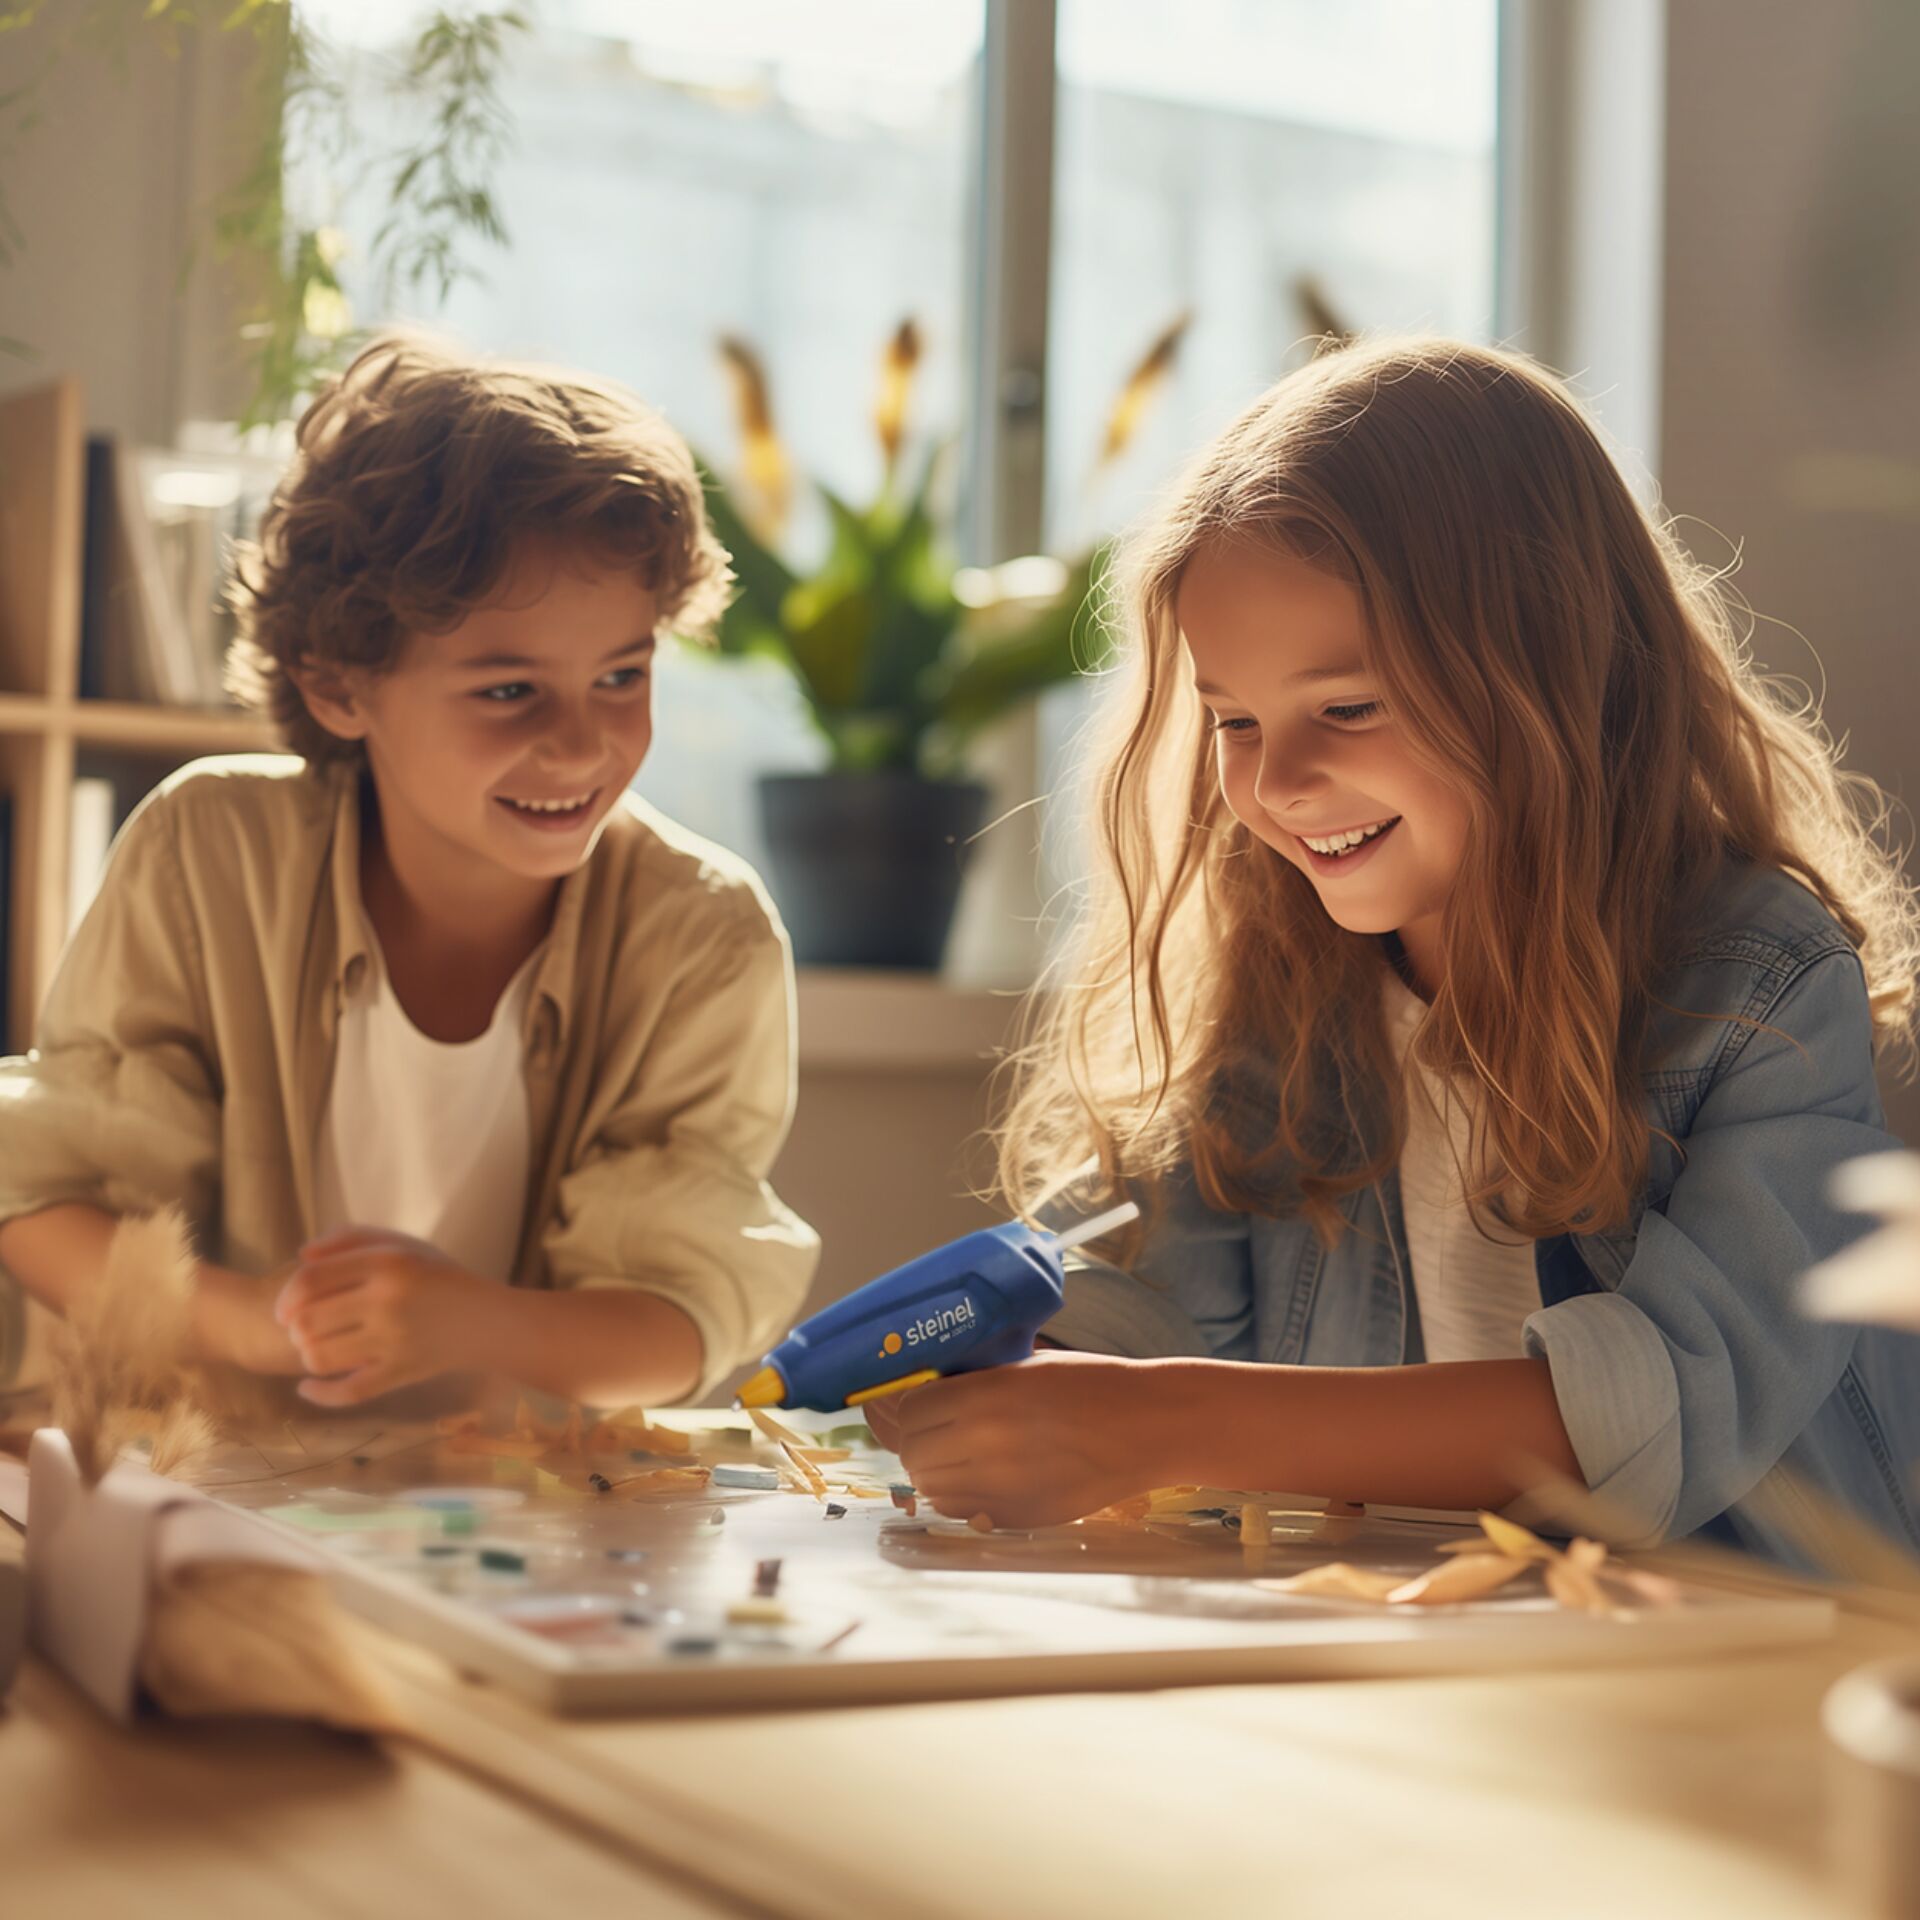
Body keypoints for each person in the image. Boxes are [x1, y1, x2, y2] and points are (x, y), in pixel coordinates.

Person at [872, 337, 1920, 1565]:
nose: (1279, 781)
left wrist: (1156, 1419)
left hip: (1747, 1673)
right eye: (1235, 721)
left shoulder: (1762, 990)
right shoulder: (1274, 986)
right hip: (1429, 1664)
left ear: (1548, 672)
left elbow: (1674, 1404)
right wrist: (998, 1370)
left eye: (1348, 708)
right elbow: (1132, 1303)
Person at [0, 332, 817, 1409]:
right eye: (509, 690)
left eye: (622, 673)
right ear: (339, 687)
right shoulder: (206, 850)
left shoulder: (704, 933)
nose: (583, 745)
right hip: (203, 1491)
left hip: (513, 1521)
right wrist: (262, 1324)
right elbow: (43, 1201)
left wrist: (469, 1323)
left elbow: (685, 1319)